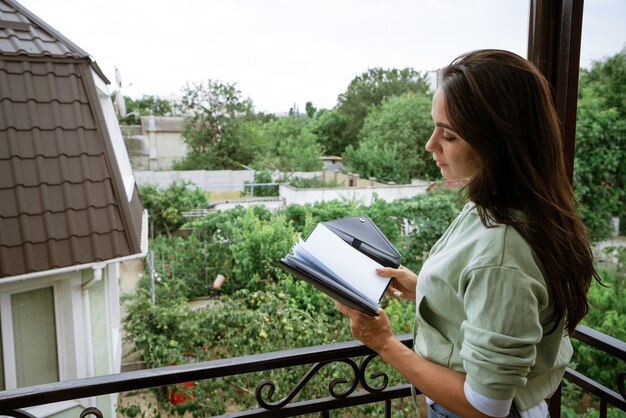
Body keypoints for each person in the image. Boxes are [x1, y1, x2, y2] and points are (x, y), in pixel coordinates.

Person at [334, 49, 598, 418]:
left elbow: (485, 407)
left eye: (450, 135)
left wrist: (384, 343)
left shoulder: (503, 247)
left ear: (498, 143)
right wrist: (425, 286)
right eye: (434, 126)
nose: (430, 145)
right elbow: (491, 298)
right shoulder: (505, 207)